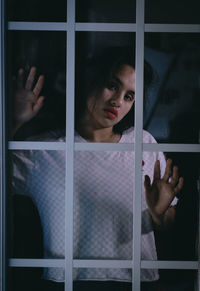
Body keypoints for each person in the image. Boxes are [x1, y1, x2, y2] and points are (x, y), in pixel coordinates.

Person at [11, 47, 183, 291]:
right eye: (112, 85)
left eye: (129, 96)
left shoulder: (142, 144)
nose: (117, 101)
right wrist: (14, 120)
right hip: (67, 282)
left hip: (136, 282)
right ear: (91, 80)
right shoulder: (44, 149)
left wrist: (158, 212)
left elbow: (167, 221)